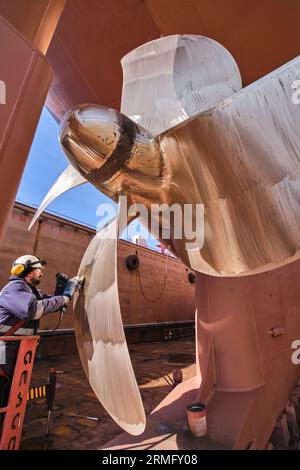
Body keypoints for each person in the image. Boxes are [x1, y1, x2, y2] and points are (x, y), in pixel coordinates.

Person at [0, 254, 80, 413]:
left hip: (14, 352)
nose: (41, 273)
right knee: (2, 389)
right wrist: (65, 296)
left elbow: (50, 304)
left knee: (9, 392)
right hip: (3, 352)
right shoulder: (14, 288)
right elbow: (32, 310)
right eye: (38, 270)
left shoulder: (31, 292)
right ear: (28, 271)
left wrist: (60, 290)